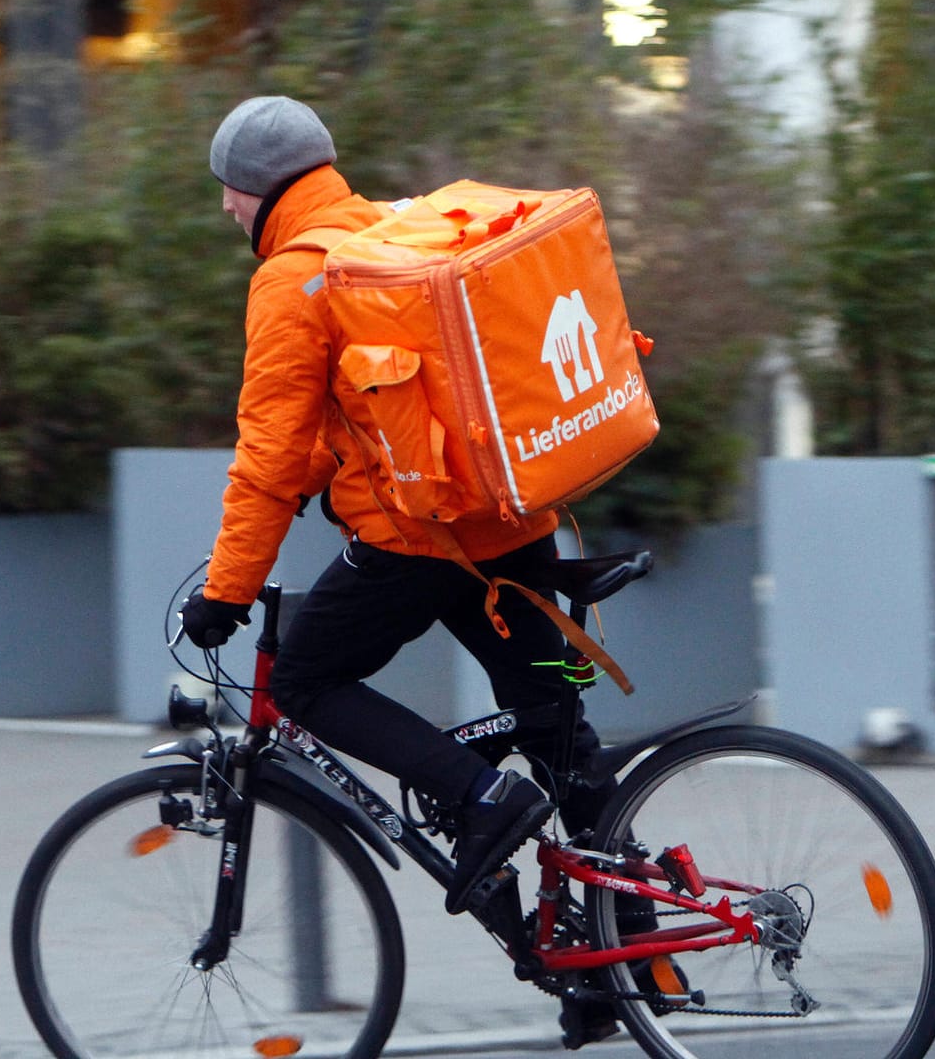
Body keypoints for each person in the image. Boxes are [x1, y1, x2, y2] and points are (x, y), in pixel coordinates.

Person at [178, 94, 620, 928]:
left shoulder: (289, 281)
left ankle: (482, 798)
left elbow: (266, 459)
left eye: (232, 189)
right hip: (512, 522)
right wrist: (324, 470)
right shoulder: (392, 234)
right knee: (555, 728)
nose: (227, 205)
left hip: (415, 542)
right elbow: (372, 411)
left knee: (306, 680)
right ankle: (623, 946)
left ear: (267, 191)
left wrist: (227, 593)